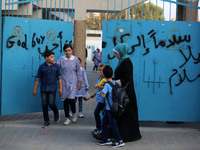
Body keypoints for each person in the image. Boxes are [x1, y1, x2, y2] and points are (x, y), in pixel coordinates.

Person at [113, 43, 142, 142]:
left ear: (121, 52)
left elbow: (126, 79)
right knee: (124, 115)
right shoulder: (122, 61)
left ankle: (128, 136)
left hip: (127, 94)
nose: (115, 55)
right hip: (124, 93)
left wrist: (113, 82)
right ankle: (122, 134)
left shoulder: (126, 63)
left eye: (116, 53)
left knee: (127, 114)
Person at [33, 50, 63, 128]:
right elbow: (38, 78)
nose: (53, 58)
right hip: (43, 88)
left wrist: (61, 88)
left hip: (53, 88)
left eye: (53, 57)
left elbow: (59, 77)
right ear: (46, 58)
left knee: (51, 103)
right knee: (44, 104)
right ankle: (46, 121)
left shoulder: (56, 66)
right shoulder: (42, 67)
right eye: (51, 57)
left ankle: (56, 112)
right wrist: (35, 88)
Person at [99, 65, 125, 148]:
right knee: (104, 122)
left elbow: (103, 96)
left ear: (104, 75)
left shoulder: (107, 85)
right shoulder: (115, 82)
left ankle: (119, 140)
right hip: (112, 107)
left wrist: (101, 89)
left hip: (110, 109)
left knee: (113, 124)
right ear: (112, 73)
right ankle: (106, 139)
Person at [57, 44, 82, 126]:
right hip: (64, 82)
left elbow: (79, 71)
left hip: (73, 82)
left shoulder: (75, 60)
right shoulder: (61, 59)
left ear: (72, 51)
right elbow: (57, 68)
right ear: (64, 51)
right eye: (66, 51)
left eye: (69, 50)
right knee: (65, 101)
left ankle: (74, 112)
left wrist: (79, 81)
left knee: (71, 100)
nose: (68, 52)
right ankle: (67, 118)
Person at [84, 64, 106, 134]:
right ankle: (100, 128)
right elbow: (98, 90)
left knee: (96, 112)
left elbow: (106, 88)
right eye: (99, 70)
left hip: (103, 100)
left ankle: (99, 128)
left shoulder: (105, 79)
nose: (100, 72)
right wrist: (93, 94)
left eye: (102, 70)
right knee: (100, 113)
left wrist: (98, 86)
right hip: (100, 99)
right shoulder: (99, 78)